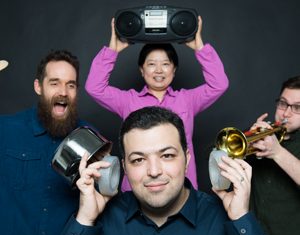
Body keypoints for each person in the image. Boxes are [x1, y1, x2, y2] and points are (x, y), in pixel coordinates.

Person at [38, 106, 294, 235]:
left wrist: (241, 219)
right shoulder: (99, 220)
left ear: (188, 158)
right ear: (122, 167)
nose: (154, 171)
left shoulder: (225, 220)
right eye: (138, 159)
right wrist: (85, 220)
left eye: (167, 155)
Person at [85, 16, 229, 192]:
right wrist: (112, 51)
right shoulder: (128, 100)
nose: (159, 70)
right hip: (135, 191)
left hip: (182, 190)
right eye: (152, 64)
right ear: (142, 70)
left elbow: (219, 84)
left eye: (166, 64)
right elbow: (94, 87)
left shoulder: (187, 100)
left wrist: (200, 47)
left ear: (174, 70)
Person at [0, 50, 87, 235]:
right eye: (54, 83)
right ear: (38, 87)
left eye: (70, 85)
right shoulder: (5, 130)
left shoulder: (90, 138)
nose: (63, 91)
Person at [248, 76, 300, 235]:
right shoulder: (263, 138)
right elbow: (214, 159)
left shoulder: (276, 147)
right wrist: (247, 140)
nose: (286, 113)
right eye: (283, 104)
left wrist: (277, 152)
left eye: (297, 108)